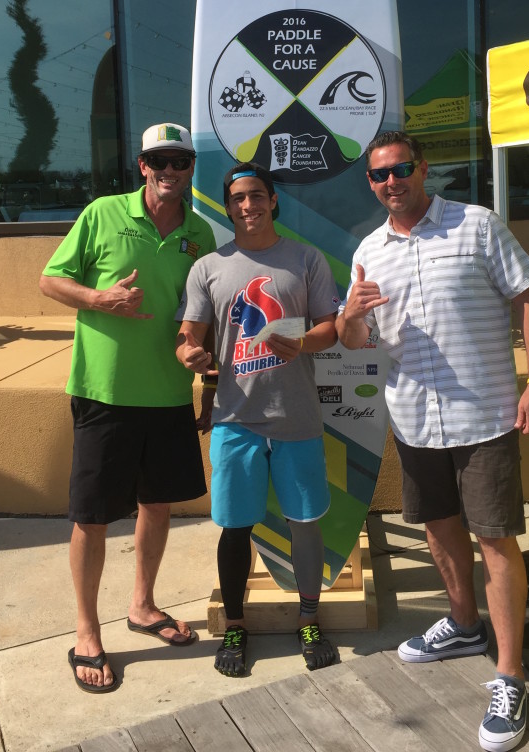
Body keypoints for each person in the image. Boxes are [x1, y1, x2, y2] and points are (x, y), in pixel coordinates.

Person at [336, 131, 529, 752]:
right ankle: (462, 622)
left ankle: (509, 677)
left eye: (400, 169)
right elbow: (358, 342)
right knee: (437, 526)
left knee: (495, 538)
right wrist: (350, 316)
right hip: (414, 420)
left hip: (484, 416)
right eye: (378, 175)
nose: (390, 182)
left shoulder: (477, 226)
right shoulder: (370, 250)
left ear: (422, 169)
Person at [39, 123, 216, 694]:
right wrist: (99, 298)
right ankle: (86, 630)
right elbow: (50, 279)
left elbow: (197, 317)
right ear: (142, 165)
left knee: (157, 505)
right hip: (104, 393)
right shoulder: (102, 214)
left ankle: (142, 606)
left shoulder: (200, 236)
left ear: (191, 167)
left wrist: (198, 357)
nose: (170, 169)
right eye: (158, 160)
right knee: (91, 516)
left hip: (167, 395)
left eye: (180, 160)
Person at [176, 162, 339, 677]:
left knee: (306, 525)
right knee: (234, 529)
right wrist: (190, 357)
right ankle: (235, 626)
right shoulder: (207, 267)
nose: (248, 206)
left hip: (297, 417)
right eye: (238, 198)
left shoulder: (305, 259)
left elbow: (331, 327)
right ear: (228, 206)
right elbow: (188, 336)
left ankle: (309, 618)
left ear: (273, 201)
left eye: (257, 196)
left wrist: (305, 342)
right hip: (234, 418)